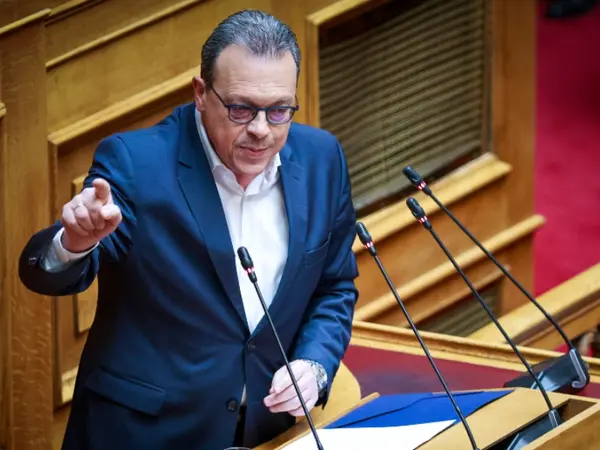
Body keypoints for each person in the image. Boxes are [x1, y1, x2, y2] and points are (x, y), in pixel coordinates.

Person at [19, 9, 358, 450]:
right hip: (145, 435)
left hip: (266, 434)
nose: (261, 130)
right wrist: (74, 243)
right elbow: (43, 273)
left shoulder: (322, 159)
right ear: (200, 93)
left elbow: (334, 286)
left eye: (278, 111)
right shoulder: (136, 164)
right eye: (241, 109)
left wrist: (314, 364)